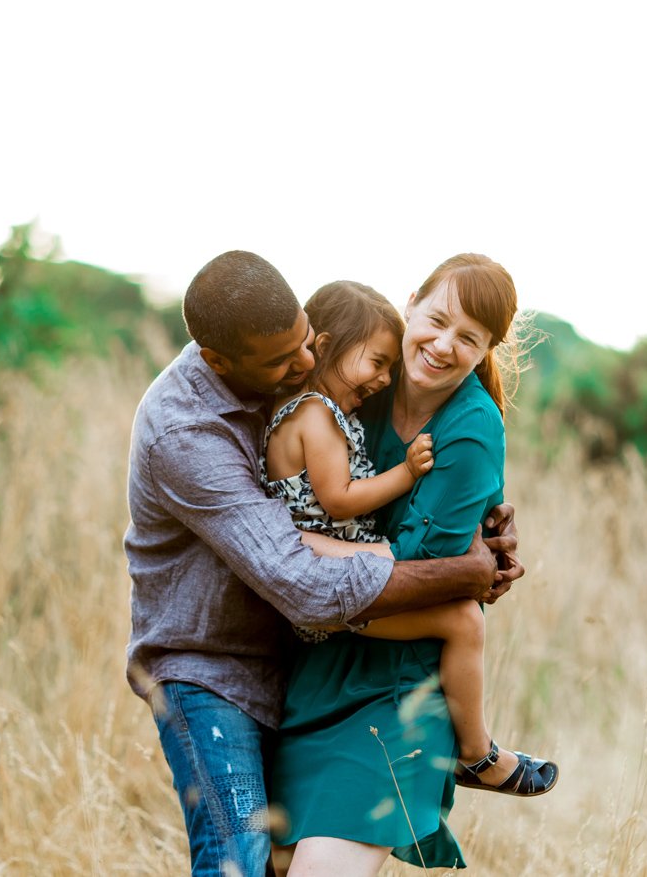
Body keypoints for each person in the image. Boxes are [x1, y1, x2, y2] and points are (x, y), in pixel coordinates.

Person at [124, 250, 526, 877]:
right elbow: (299, 581)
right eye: (286, 360)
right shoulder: (187, 435)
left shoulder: (330, 369)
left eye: (307, 344)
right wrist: (462, 575)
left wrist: (483, 521)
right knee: (237, 860)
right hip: (213, 672)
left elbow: (437, 484)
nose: (306, 366)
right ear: (220, 363)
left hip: (304, 664)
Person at [267, 253, 553, 875]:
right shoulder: (366, 374)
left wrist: (296, 571)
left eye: (468, 339)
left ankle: (475, 754)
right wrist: (287, 568)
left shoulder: (472, 428)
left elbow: (418, 577)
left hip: (395, 688)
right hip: (311, 677)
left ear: (485, 352)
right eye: (438, 319)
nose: (444, 345)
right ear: (412, 304)